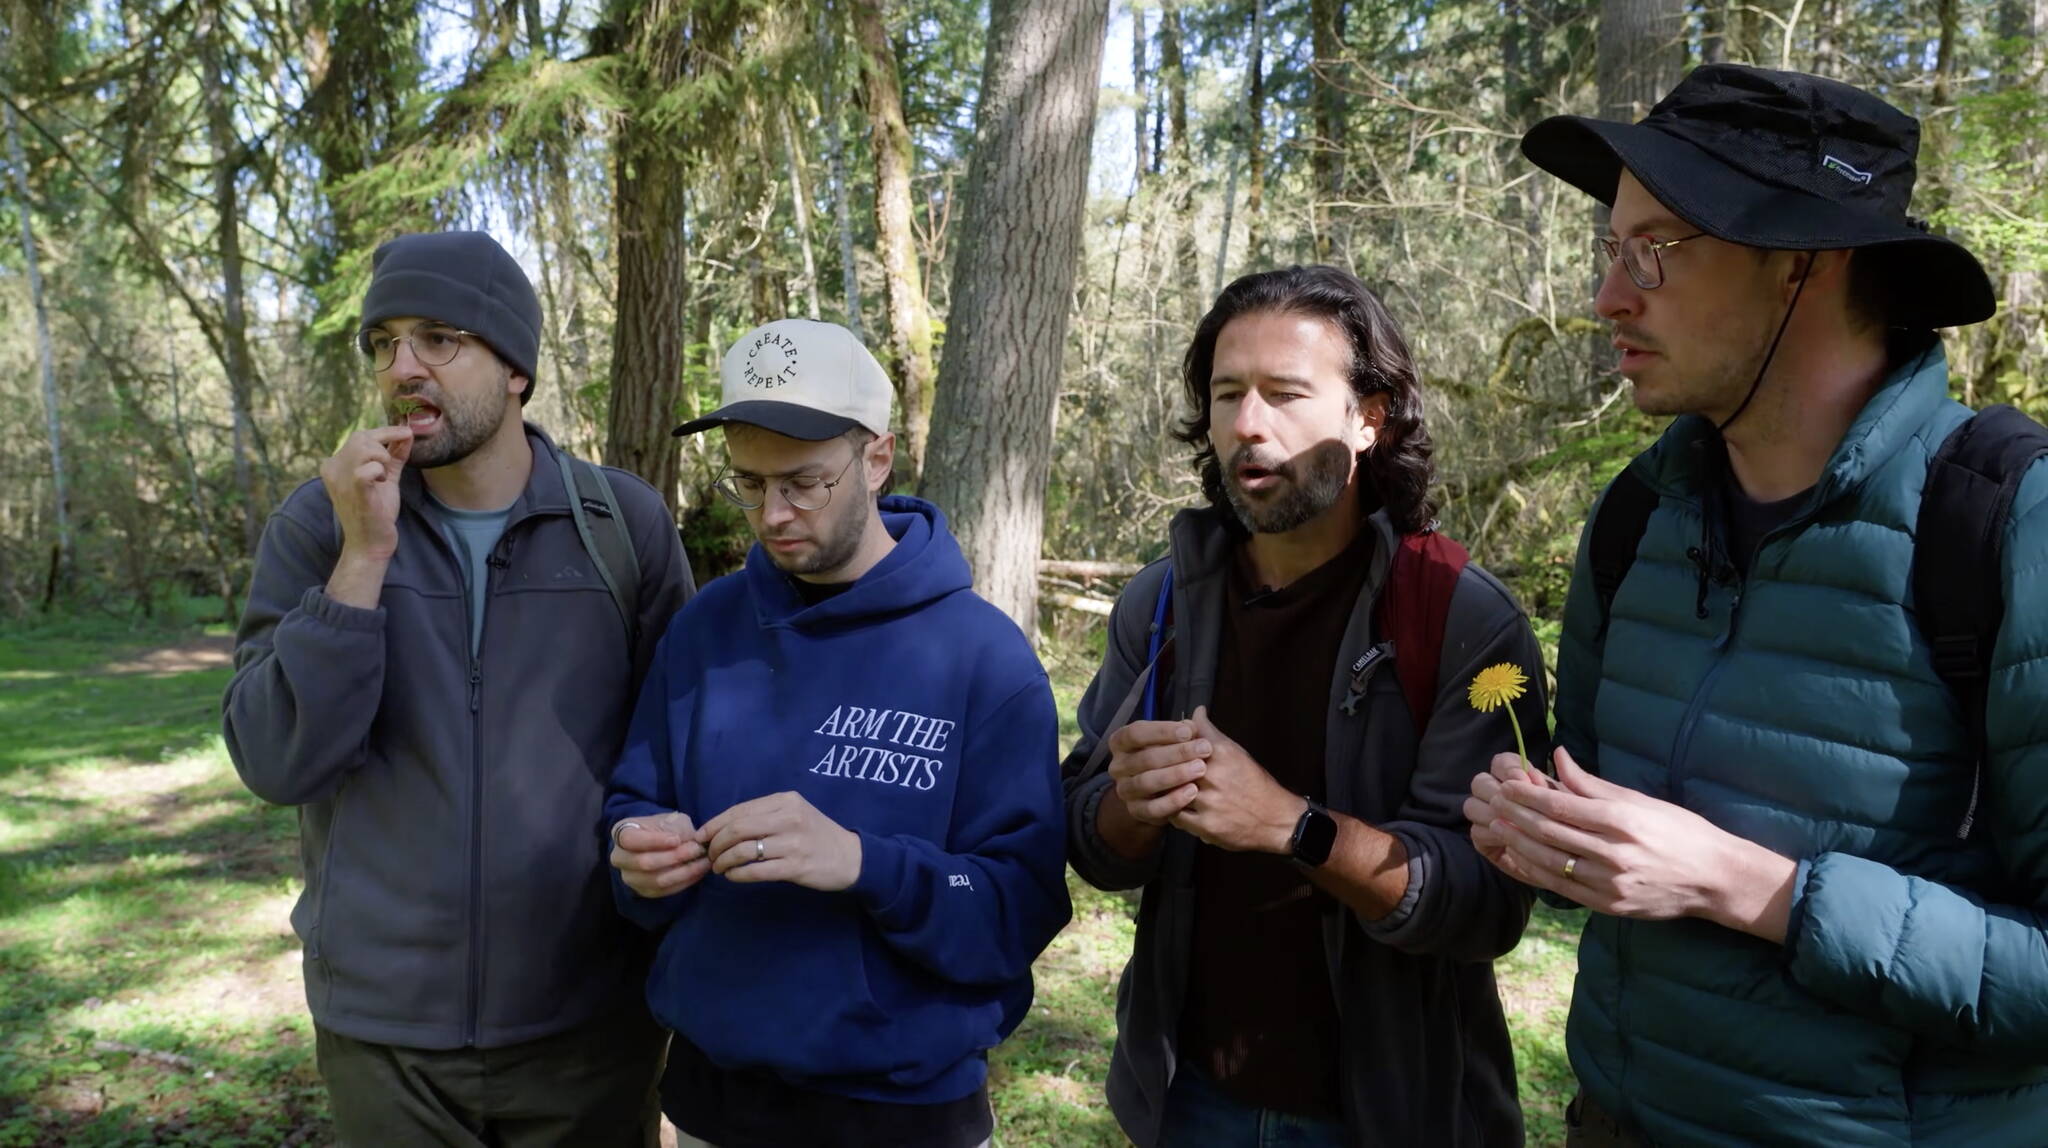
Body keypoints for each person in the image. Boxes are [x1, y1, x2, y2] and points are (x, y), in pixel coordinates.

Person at [1465, 64, 2048, 1146]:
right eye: (1609, 251)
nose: (1606, 300)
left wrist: (1755, 886)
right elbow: (1608, 860)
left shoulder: (2005, 524)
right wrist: (1545, 837)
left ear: (1800, 264)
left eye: (1654, 251)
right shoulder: (1638, 514)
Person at [223, 231, 695, 1146]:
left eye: (439, 338)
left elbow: (677, 754)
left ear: (514, 367)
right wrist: (364, 556)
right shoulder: (321, 525)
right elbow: (278, 761)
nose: (404, 367)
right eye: (384, 343)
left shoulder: (619, 525)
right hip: (385, 1037)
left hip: (590, 1024)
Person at [1062, 265, 1548, 1147]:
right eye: (1226, 394)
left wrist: (1294, 825)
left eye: (1286, 394)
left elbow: (1485, 905)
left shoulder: (1460, 618)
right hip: (1191, 1099)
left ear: (1369, 417)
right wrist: (1129, 806)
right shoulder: (1163, 605)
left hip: (1389, 1113)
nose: (1249, 425)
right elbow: (1093, 843)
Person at [602, 318, 1072, 1148]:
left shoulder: (982, 659)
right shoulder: (705, 631)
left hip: (903, 1113)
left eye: (804, 482)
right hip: (714, 1100)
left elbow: (1018, 907)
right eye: (749, 483)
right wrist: (637, 856)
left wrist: (867, 864)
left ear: (878, 458)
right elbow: (633, 805)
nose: (772, 514)